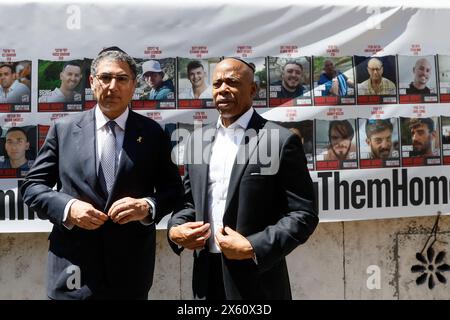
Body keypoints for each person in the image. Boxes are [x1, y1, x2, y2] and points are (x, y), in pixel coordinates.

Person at [20, 47, 183, 300]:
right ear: (92, 82)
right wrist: (69, 208)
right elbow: (32, 187)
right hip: (71, 271)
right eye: (105, 78)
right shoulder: (63, 130)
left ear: (133, 85)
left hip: (129, 273)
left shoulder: (153, 133)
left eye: (121, 79)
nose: (112, 86)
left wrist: (147, 206)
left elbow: (173, 190)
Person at [167, 57, 318, 300]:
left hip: (257, 282)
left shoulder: (278, 140)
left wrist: (253, 247)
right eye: (217, 84)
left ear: (253, 89)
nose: (223, 89)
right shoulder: (197, 141)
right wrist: (175, 230)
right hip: (205, 282)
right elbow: (189, 204)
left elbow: (304, 214)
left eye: (232, 82)